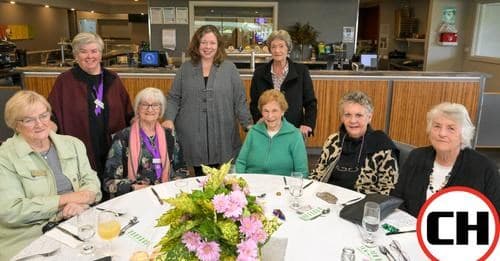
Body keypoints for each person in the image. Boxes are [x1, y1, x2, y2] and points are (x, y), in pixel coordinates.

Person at [0, 91, 101, 260]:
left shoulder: (73, 144)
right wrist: (65, 202)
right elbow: (11, 210)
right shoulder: (5, 158)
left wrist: (82, 201)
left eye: (43, 115)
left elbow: (92, 183)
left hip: (77, 220)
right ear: (16, 125)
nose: (39, 124)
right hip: (29, 236)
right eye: (29, 120)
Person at [48, 32, 134, 190]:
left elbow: (129, 113)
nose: (89, 56)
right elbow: (51, 116)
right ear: (75, 55)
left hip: (112, 149)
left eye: (94, 51)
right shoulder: (65, 81)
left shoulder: (112, 79)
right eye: (83, 51)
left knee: (113, 193)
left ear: (101, 54)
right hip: (81, 150)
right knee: (89, 194)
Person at [164, 25, 252, 176]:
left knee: (224, 179)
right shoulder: (185, 68)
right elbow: (173, 97)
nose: (208, 47)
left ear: (218, 45)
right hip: (191, 133)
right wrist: (169, 119)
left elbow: (240, 100)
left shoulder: (229, 69)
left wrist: (248, 124)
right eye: (204, 42)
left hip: (222, 131)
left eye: (212, 43)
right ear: (197, 45)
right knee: (198, 178)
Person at [392, 102, 500, 216]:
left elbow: (495, 215)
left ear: (463, 134)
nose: (442, 133)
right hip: (408, 230)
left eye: (451, 128)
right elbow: (397, 198)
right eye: (437, 126)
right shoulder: (416, 156)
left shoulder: (484, 168)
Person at [310, 91, 399, 195]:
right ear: (342, 118)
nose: (353, 120)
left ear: (369, 117)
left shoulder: (383, 147)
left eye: (359, 115)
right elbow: (318, 173)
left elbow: (388, 190)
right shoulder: (333, 140)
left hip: (361, 205)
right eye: (347, 115)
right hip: (327, 199)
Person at [104, 87, 185, 197]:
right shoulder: (122, 138)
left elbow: (182, 171)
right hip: (134, 197)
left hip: (166, 196)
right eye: (145, 104)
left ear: (161, 110)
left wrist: (171, 187)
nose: (150, 109)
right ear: (137, 108)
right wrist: (133, 187)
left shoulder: (169, 136)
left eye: (155, 105)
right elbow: (109, 182)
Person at [250, 29, 317, 137]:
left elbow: (310, 103)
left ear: (288, 48)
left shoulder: (301, 71)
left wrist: (308, 124)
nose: (277, 50)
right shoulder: (259, 73)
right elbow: (254, 103)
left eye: (281, 46)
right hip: (267, 130)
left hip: (294, 130)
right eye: (273, 47)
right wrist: (259, 119)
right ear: (270, 49)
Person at [236, 89, 308, 176]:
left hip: (282, 186)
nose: (270, 116)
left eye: (274, 111)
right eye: (266, 111)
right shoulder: (253, 132)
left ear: (282, 111)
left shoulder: (295, 135)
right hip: (251, 184)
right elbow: (241, 162)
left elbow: (302, 172)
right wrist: (241, 183)